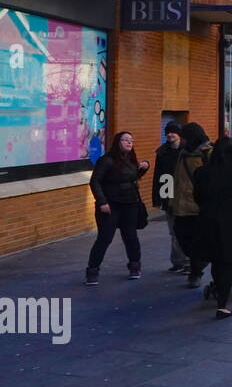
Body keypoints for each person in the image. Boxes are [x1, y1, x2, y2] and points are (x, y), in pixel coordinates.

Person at [193, 136, 232, 320]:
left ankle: (218, 288)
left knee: (215, 257)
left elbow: (197, 196)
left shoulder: (203, 172)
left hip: (208, 217)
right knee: (228, 260)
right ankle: (222, 303)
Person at [85, 130, 149, 285]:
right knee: (105, 238)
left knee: (131, 236)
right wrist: (102, 202)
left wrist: (144, 167)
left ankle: (135, 266)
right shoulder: (107, 160)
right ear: (117, 142)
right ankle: (92, 271)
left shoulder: (131, 159)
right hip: (111, 204)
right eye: (125, 140)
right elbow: (95, 181)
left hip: (130, 203)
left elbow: (132, 177)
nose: (129, 143)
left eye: (131, 141)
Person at [169, 122, 213, 288]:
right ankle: (199, 262)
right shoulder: (182, 153)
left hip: (198, 207)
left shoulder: (208, 153)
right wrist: (171, 201)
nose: (184, 140)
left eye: (186, 137)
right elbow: (177, 178)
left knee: (197, 241)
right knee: (181, 237)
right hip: (181, 207)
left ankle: (196, 271)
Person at [152, 122, 190, 273]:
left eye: (173, 132)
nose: (169, 134)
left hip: (186, 196)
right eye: (167, 132)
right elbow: (159, 176)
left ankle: (188, 262)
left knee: (186, 230)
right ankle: (178, 262)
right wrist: (157, 199)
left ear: (179, 134)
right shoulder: (162, 152)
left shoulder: (188, 151)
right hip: (169, 195)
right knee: (174, 231)